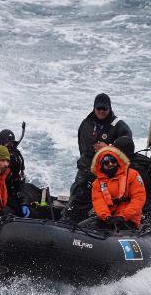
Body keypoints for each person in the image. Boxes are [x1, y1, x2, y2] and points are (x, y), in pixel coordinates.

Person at [62, 93, 133, 223]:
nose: (101, 111)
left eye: (104, 109)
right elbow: (82, 148)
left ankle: (106, 222)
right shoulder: (86, 124)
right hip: (87, 169)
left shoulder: (120, 126)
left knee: (106, 201)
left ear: (109, 108)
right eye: (98, 108)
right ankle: (69, 222)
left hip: (110, 172)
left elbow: (127, 148)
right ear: (94, 108)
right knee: (77, 194)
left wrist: (108, 148)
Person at [91, 146, 146, 229]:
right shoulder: (97, 183)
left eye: (113, 161)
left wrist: (123, 216)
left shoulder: (132, 175)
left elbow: (139, 198)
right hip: (109, 218)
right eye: (106, 163)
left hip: (129, 218)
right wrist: (106, 217)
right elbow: (99, 202)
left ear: (118, 161)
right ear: (101, 166)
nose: (110, 164)